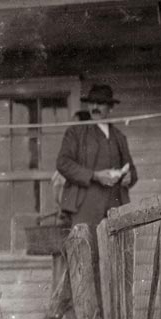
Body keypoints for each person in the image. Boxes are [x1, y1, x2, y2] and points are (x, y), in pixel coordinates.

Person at [56, 84, 137, 233]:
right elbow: (63, 163)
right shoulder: (75, 133)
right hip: (84, 206)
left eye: (100, 103)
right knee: (86, 250)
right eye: (91, 103)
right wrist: (94, 175)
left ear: (111, 108)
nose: (95, 107)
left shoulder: (119, 137)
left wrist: (129, 177)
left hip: (116, 206)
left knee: (116, 252)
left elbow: (131, 170)